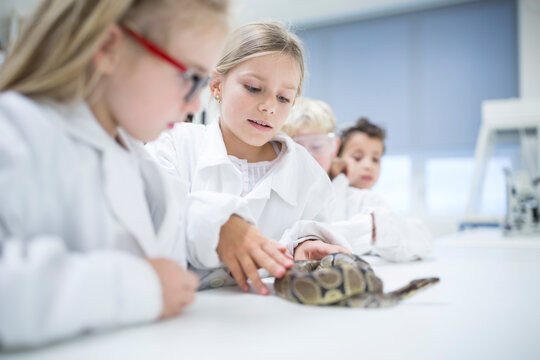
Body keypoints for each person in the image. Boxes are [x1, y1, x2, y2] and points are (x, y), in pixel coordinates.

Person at [0, 0, 232, 349]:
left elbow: (177, 235)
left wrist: (224, 224)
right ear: (109, 48)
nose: (196, 105)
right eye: (192, 78)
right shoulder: (15, 131)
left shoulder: (134, 156)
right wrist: (140, 287)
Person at [147, 21, 390, 296]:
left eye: (284, 98)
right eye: (253, 88)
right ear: (216, 85)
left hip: (269, 322)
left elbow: (315, 227)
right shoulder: (175, 145)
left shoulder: (305, 172)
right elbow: (148, 225)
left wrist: (301, 246)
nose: (269, 107)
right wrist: (218, 227)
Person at [283, 97, 432, 261]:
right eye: (297, 147)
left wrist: (373, 229)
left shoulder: (357, 198)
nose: (307, 156)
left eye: (317, 147)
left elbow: (422, 239)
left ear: (334, 146)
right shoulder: (272, 195)